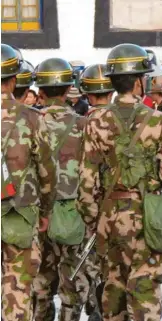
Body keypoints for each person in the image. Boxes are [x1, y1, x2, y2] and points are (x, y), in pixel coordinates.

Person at [77, 43, 162, 321]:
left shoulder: (95, 120)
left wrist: (93, 220)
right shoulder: (159, 121)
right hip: (146, 214)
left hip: (109, 218)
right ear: (139, 81)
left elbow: (87, 180)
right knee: (145, 286)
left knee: (113, 285)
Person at [1, 43, 57, 321]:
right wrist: (45, 212)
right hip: (20, 212)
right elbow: (47, 172)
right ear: (14, 80)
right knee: (17, 286)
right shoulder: (33, 119)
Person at [32, 58, 89, 321]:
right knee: (72, 278)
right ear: (68, 91)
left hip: (36, 214)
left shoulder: (30, 123)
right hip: (73, 213)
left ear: (40, 91)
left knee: (40, 280)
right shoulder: (83, 125)